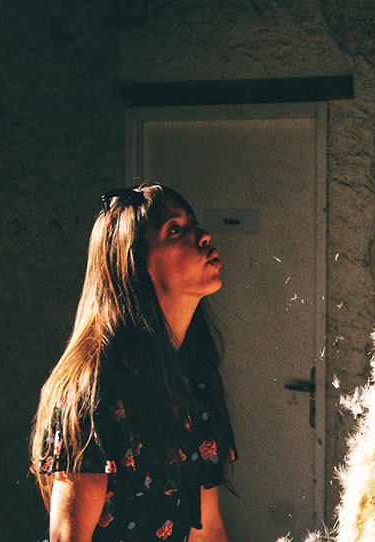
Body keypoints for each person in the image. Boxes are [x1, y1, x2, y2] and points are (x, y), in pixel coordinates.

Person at [30, 183, 237, 542]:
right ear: (136, 265)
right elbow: (68, 538)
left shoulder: (194, 379)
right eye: (175, 229)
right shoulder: (96, 387)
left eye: (193, 223)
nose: (203, 236)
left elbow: (209, 531)